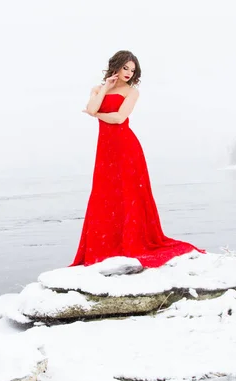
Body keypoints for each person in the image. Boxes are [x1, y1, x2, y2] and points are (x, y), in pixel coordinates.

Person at [71, 50, 204, 268]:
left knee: (130, 194)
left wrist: (96, 115)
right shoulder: (98, 89)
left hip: (126, 147)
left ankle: (131, 241)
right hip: (105, 150)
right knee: (105, 194)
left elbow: (119, 117)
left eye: (132, 70)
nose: (129, 73)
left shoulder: (132, 92)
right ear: (116, 65)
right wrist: (105, 88)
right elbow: (92, 106)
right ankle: (108, 244)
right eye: (126, 68)